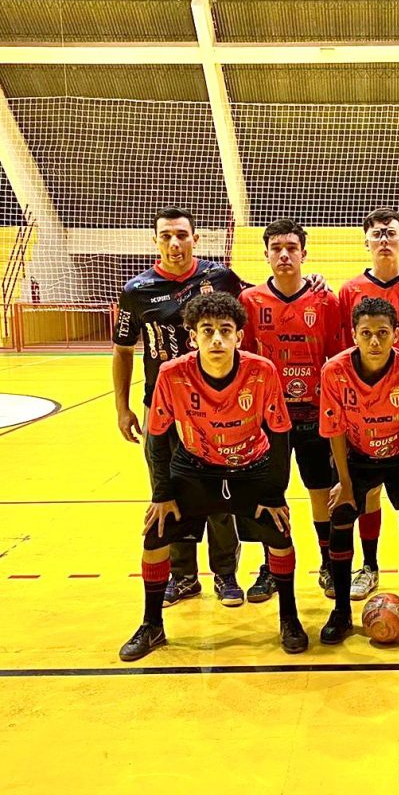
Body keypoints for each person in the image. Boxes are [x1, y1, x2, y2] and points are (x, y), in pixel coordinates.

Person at [118, 293, 307, 661]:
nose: (216, 339)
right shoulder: (172, 374)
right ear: (193, 337)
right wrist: (162, 494)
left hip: (250, 467)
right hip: (196, 468)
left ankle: (289, 617)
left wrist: (273, 494)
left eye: (225, 331)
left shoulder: (262, 371)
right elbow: (157, 439)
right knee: (156, 533)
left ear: (239, 337)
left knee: (280, 534)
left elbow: (281, 437)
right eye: (207, 331)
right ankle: (152, 624)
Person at [112, 207, 244, 608]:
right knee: (167, 492)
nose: (175, 243)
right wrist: (123, 407)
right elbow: (122, 352)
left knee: (221, 490)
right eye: (166, 235)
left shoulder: (219, 278)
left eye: (182, 235)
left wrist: (310, 281)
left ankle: (225, 574)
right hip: (162, 407)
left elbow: (260, 295)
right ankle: (183, 576)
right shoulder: (137, 291)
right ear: (156, 241)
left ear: (195, 239)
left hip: (216, 407)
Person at [318, 297, 399, 643]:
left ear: (396, 334)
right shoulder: (334, 372)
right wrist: (343, 482)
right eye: (366, 333)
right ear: (353, 334)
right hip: (356, 455)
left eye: (382, 333)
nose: (374, 341)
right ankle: (340, 610)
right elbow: (335, 430)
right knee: (341, 515)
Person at [337, 208, 399, 602]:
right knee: (367, 497)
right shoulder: (348, 292)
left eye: (391, 233)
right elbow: (339, 353)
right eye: (376, 234)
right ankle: (370, 565)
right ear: (366, 242)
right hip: (361, 412)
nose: (384, 240)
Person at [240, 219, 342, 604]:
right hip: (269, 421)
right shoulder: (250, 302)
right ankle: (270, 566)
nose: (284, 254)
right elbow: (244, 361)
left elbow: (337, 359)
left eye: (292, 247)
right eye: (276, 247)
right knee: (271, 495)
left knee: (321, 495)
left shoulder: (325, 300)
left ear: (304, 253)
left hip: (316, 417)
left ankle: (330, 563)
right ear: (265, 254)